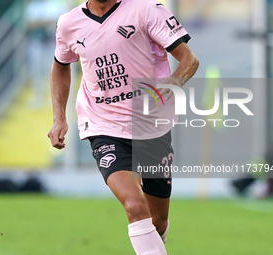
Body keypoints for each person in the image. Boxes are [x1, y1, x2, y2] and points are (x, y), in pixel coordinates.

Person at [48, 0, 199, 254]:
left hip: (151, 126)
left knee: (157, 221)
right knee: (134, 205)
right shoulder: (68, 23)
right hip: (103, 125)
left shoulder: (147, 10)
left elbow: (189, 60)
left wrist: (169, 86)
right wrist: (59, 117)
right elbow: (61, 67)